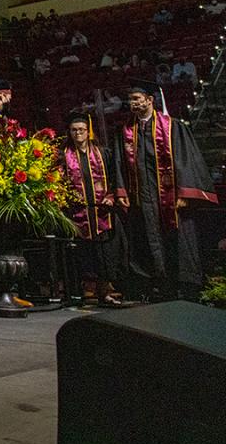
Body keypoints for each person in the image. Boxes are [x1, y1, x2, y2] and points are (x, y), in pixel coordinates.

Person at [113, 83, 218, 300]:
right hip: (142, 198)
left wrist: (183, 193)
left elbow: (186, 160)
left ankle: (186, 287)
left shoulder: (172, 127)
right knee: (147, 238)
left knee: (178, 240)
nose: (132, 103)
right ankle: (158, 285)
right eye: (130, 99)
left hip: (170, 198)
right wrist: (122, 191)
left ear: (150, 100)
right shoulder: (126, 132)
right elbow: (119, 163)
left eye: (136, 98)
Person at [62, 115, 127, 305]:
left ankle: (105, 290)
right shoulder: (63, 155)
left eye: (81, 129)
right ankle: (86, 290)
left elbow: (115, 178)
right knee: (83, 253)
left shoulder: (103, 153)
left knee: (105, 252)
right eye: (74, 130)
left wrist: (110, 197)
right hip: (77, 212)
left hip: (102, 212)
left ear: (88, 131)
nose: (78, 133)